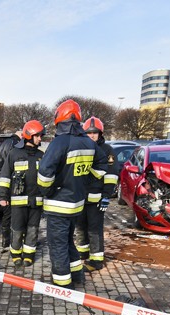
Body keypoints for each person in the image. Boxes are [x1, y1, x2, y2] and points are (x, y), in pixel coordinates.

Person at [38, 100, 108, 289]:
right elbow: (102, 166)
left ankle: (63, 283)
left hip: (58, 205)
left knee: (58, 244)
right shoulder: (88, 142)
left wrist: (49, 191)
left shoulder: (59, 142)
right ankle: (77, 275)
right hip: (77, 203)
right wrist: (85, 182)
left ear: (59, 118)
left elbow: (44, 173)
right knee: (69, 240)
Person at [76, 116, 118, 272]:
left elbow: (112, 175)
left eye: (95, 132)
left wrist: (106, 196)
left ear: (101, 133)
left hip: (97, 199)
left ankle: (96, 260)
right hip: (80, 198)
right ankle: (83, 252)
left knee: (94, 229)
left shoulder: (107, 151)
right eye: (89, 132)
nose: (92, 135)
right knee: (80, 227)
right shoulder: (81, 149)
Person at [0, 121, 44, 266]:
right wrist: (3, 196)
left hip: (36, 200)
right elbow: (5, 176)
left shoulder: (41, 155)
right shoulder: (14, 154)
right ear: (29, 135)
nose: (40, 139)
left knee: (33, 230)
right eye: (37, 136)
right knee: (17, 229)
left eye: (40, 136)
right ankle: (16, 253)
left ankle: (29, 254)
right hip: (18, 201)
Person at [0, 130, 23, 250]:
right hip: (13, 183)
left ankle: (5, 240)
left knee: (6, 214)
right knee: (15, 214)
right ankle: (14, 240)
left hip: (2, 181)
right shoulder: (16, 145)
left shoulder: (4, 143)